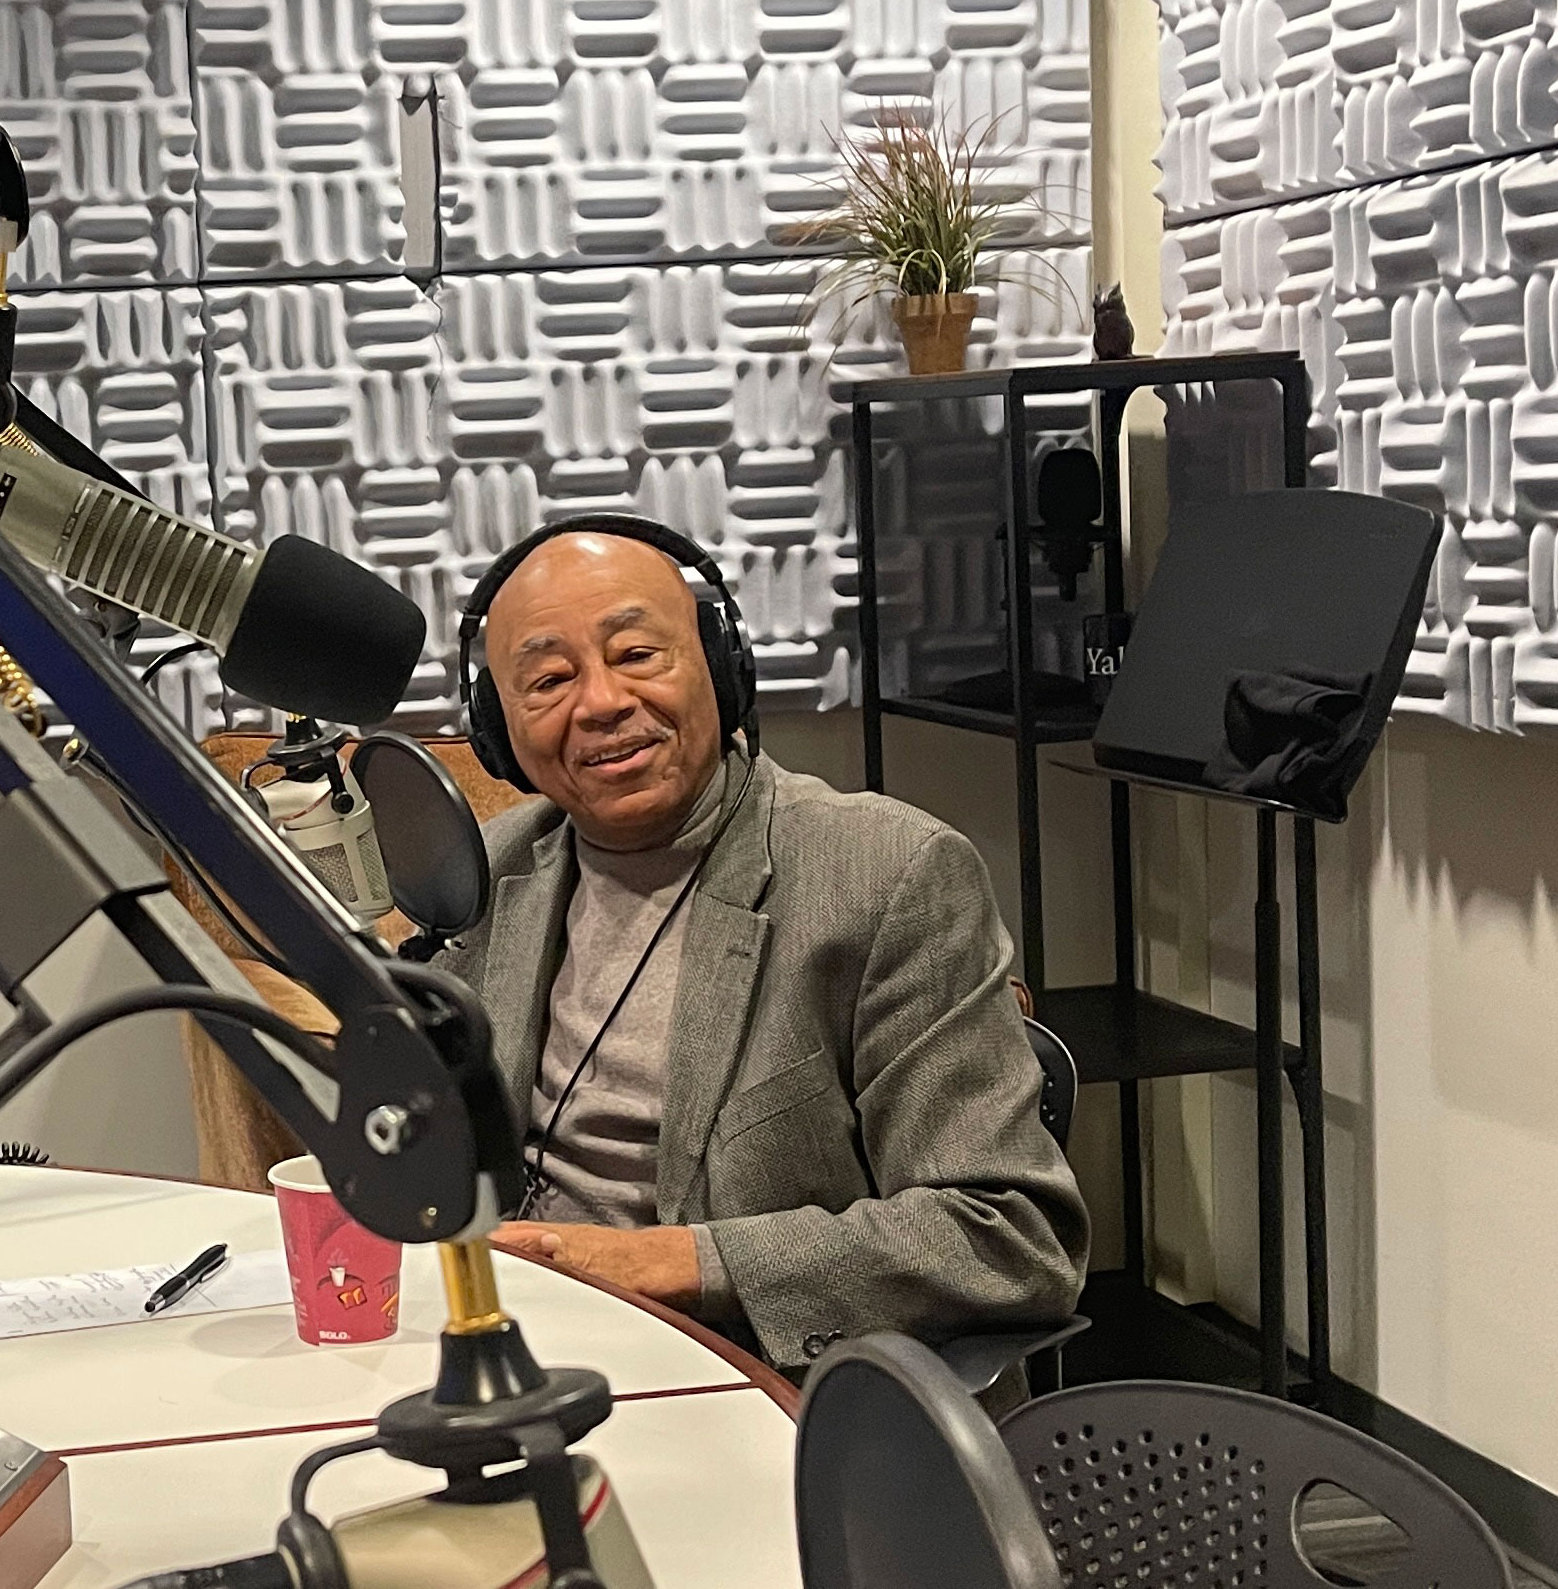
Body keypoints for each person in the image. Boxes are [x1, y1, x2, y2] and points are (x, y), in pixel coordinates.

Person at [435, 516, 1085, 1377]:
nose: (599, 703)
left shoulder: (887, 875)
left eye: (636, 655)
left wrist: (679, 1263)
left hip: (760, 1380)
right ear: (497, 726)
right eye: (550, 679)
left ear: (720, 664)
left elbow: (1008, 1235)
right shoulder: (493, 873)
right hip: (522, 1348)